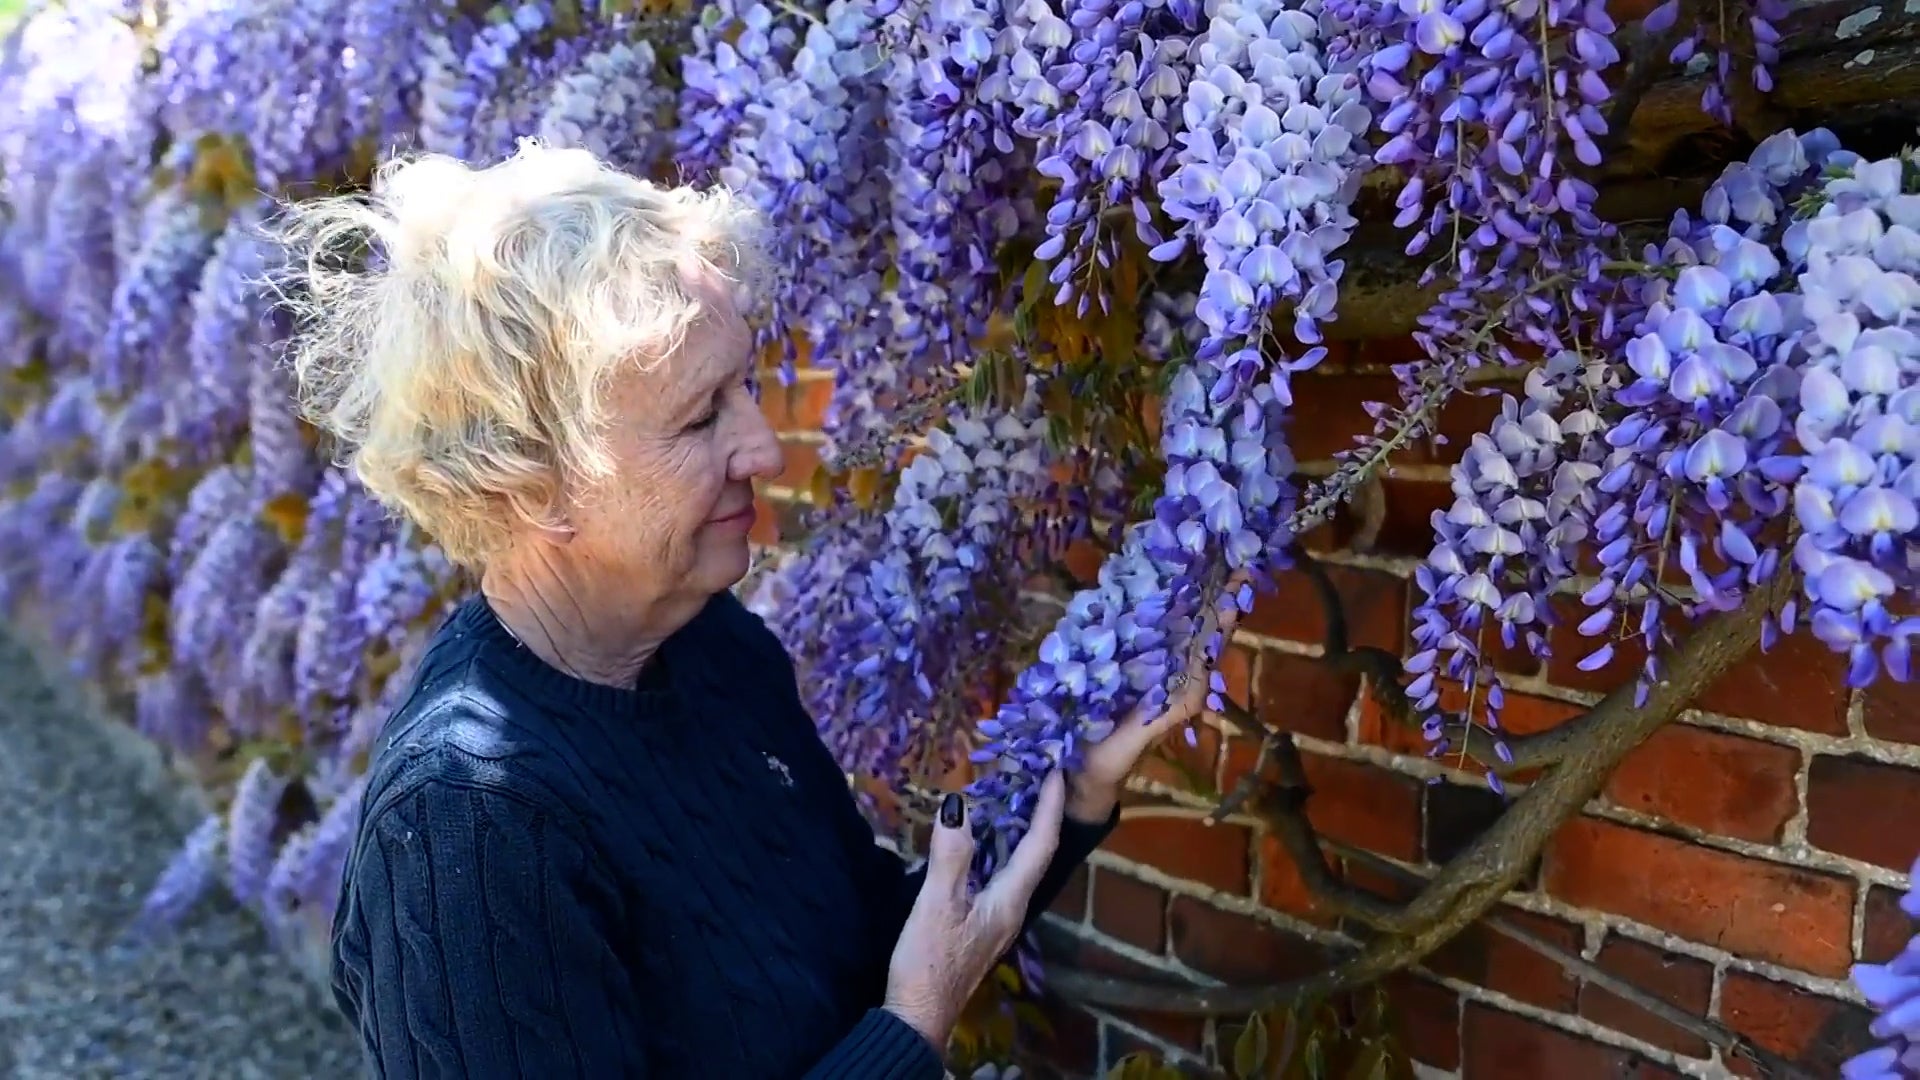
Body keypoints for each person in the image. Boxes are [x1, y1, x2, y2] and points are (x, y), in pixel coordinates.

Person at [271, 142, 1231, 1079]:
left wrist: (1078, 781)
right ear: (529, 485)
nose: (766, 448)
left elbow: (861, 952)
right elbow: (899, 1005)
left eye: (746, 386)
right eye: (700, 417)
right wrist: (912, 1033)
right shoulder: (472, 824)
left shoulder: (714, 651)